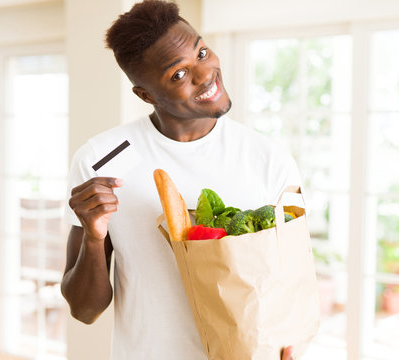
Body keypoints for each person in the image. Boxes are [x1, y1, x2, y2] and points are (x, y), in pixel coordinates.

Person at [61, 1, 301, 359]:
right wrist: (94, 237)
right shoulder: (102, 160)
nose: (205, 74)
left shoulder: (267, 158)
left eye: (201, 52)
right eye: (178, 74)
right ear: (145, 95)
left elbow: (292, 284)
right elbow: (85, 310)